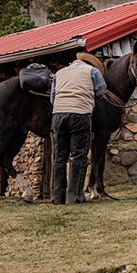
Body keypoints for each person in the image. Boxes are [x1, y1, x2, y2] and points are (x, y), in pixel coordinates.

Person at [50, 52, 107, 205]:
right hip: (80, 115)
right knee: (78, 155)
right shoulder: (92, 71)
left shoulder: (59, 73)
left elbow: (52, 97)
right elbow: (101, 91)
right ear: (91, 63)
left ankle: (57, 197)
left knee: (59, 156)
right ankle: (74, 197)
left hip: (58, 115)